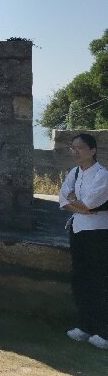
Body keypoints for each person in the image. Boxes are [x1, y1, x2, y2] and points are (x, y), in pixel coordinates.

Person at [59, 132, 108, 349]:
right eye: (73, 147)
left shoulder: (102, 176)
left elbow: (89, 203)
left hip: (97, 233)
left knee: (98, 280)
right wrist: (79, 205)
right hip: (78, 229)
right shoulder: (75, 172)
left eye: (80, 147)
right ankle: (85, 325)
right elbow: (63, 200)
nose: (75, 151)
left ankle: (103, 330)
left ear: (93, 150)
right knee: (80, 279)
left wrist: (79, 203)